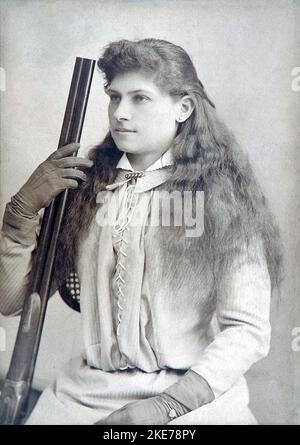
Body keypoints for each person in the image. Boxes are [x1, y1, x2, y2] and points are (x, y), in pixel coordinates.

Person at [0, 38, 283, 425]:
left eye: (140, 98)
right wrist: (22, 209)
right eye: (114, 97)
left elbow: (247, 331)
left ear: (183, 108)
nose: (120, 113)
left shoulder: (223, 200)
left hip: (191, 400)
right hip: (84, 395)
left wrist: (165, 407)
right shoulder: (84, 188)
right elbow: (13, 303)